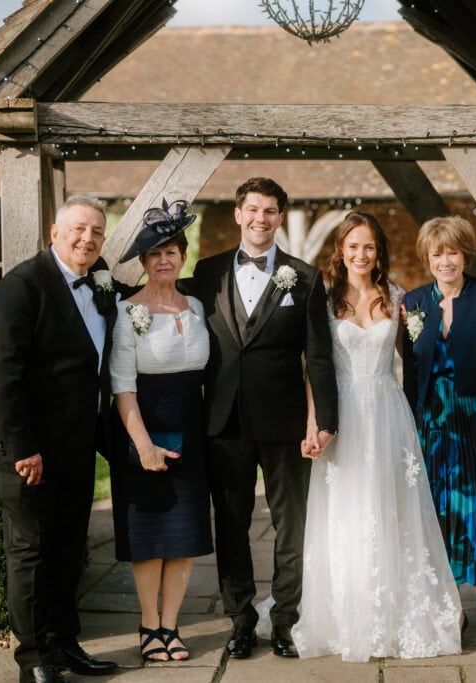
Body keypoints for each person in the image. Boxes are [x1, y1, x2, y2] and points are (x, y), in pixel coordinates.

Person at [291, 211, 462, 662]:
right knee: (346, 511)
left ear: (378, 252)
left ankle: (396, 613)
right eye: (353, 246)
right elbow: (316, 367)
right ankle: (348, 614)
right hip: (342, 415)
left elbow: (421, 360)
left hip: (388, 413)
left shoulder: (398, 298)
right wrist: (314, 423)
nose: (361, 254)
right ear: (341, 251)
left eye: (369, 247)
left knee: (391, 508)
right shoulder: (326, 301)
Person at [189, 177, 339, 660]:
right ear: (238, 214)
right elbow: (158, 289)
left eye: (270, 211)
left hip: (286, 423)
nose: (260, 218)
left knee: (290, 523)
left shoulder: (306, 277)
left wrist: (324, 421)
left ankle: (286, 619)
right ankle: (240, 619)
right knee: (230, 525)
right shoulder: (207, 271)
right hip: (223, 422)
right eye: (252, 209)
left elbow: (318, 356)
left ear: (279, 218)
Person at [0, 195, 119, 683]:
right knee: (31, 556)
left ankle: (66, 645)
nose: (88, 238)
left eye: (97, 232)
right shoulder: (22, 286)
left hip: (78, 451)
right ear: (54, 231)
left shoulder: (101, 281)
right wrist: (23, 449)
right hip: (31, 455)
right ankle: (34, 659)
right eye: (79, 229)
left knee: (67, 550)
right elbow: (3, 375)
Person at [109, 200, 212, 663]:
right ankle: (149, 626)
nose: (164, 259)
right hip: (146, 431)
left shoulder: (197, 306)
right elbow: (122, 387)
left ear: (182, 256)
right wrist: (144, 445)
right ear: (144, 262)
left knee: (185, 536)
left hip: (194, 429)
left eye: (171, 250)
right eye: (155, 253)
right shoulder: (127, 311)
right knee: (150, 537)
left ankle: (173, 627)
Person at [402, 215, 476, 632]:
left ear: (465, 254)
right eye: (437, 253)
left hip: (473, 419)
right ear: (426, 257)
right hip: (431, 423)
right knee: (435, 512)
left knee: (473, 507)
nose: (445, 261)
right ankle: (450, 599)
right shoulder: (413, 302)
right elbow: (411, 372)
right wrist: (408, 425)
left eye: (452, 252)